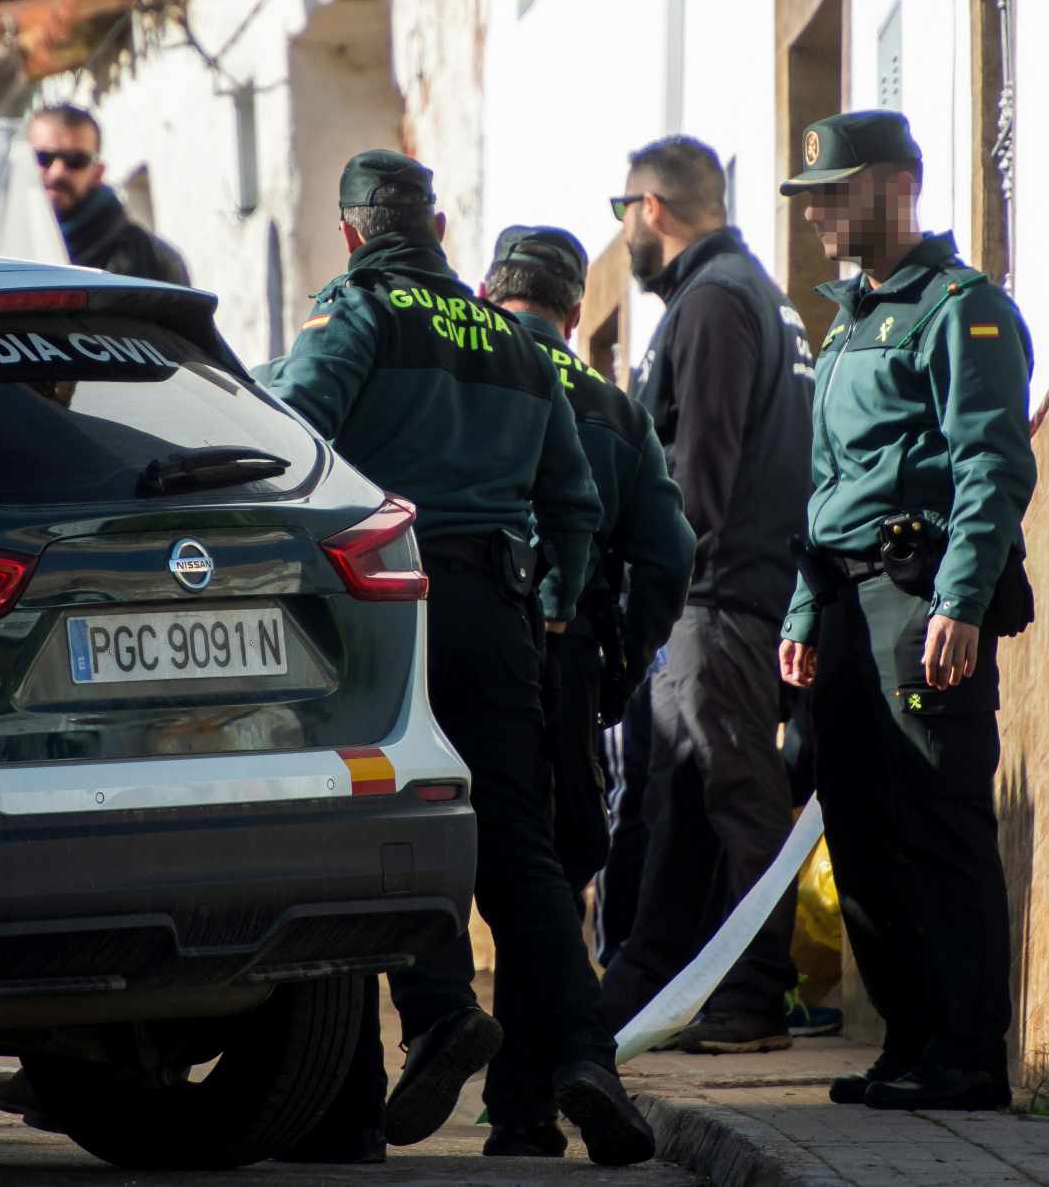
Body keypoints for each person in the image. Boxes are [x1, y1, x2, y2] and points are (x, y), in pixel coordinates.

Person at [262, 150, 655, 1166]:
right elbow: (573, 500)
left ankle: (438, 1017)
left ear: (354, 232)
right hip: (496, 610)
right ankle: (586, 1058)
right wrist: (559, 611)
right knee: (519, 848)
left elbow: (295, 435)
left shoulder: (358, 312)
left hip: (383, 602)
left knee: (388, 819)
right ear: (437, 226)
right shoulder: (520, 349)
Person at [778, 109, 1037, 1110]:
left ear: (895, 187)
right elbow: (828, 481)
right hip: (845, 602)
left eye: (833, 194)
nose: (816, 216)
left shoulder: (960, 310)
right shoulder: (849, 321)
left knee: (939, 819)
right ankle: (909, 1043)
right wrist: (805, 610)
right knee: (861, 827)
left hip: (917, 594)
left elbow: (990, 463)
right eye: (810, 199)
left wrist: (963, 600)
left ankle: (967, 1056)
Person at [598, 135, 814, 1055]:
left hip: (715, 596)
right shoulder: (744, 294)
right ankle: (660, 988)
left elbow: (701, 466)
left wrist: (660, 580)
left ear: (653, 208)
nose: (625, 238)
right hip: (722, 597)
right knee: (677, 801)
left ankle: (756, 991)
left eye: (625, 215)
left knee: (734, 790)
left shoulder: (716, 301)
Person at [479, 223, 694, 923]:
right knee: (556, 854)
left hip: (461, 639)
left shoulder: (459, 382)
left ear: (485, 295)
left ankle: (442, 1019)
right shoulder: (619, 414)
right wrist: (622, 669)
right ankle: (542, 1020)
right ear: (574, 318)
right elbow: (669, 557)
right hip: (567, 653)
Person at [28, 104, 191, 286]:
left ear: (98, 173)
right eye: (42, 158)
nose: (57, 172)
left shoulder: (153, 260)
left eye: (76, 161)